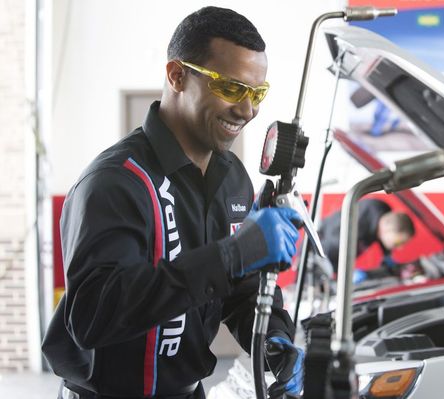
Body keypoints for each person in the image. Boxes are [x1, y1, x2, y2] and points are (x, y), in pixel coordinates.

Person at [42, 7, 303, 399]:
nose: (247, 110)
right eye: (231, 88)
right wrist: (230, 256)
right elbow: (92, 315)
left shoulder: (234, 181)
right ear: (177, 75)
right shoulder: (115, 182)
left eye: (256, 93)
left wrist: (272, 341)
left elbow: (239, 290)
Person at [316, 198, 416, 283]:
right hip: (318, 255)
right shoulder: (352, 231)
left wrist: (387, 255)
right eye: (398, 243)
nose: (400, 248)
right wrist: (345, 276)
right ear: (386, 230)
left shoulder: (384, 213)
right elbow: (326, 251)